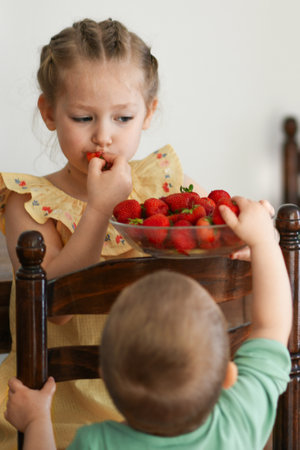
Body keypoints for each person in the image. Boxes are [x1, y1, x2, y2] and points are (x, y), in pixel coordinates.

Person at [0, 18, 205, 450]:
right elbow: (54, 306)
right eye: (82, 117)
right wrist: (99, 207)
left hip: (149, 409)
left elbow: (205, 236)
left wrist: (240, 242)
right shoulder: (27, 200)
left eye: (123, 117)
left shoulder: (160, 187)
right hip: (53, 416)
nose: (103, 136)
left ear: (149, 113)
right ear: (50, 113)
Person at [5, 196, 292, 450]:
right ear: (228, 374)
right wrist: (264, 241)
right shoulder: (239, 419)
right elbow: (272, 325)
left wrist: (36, 421)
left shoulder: (97, 442)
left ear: (106, 376)